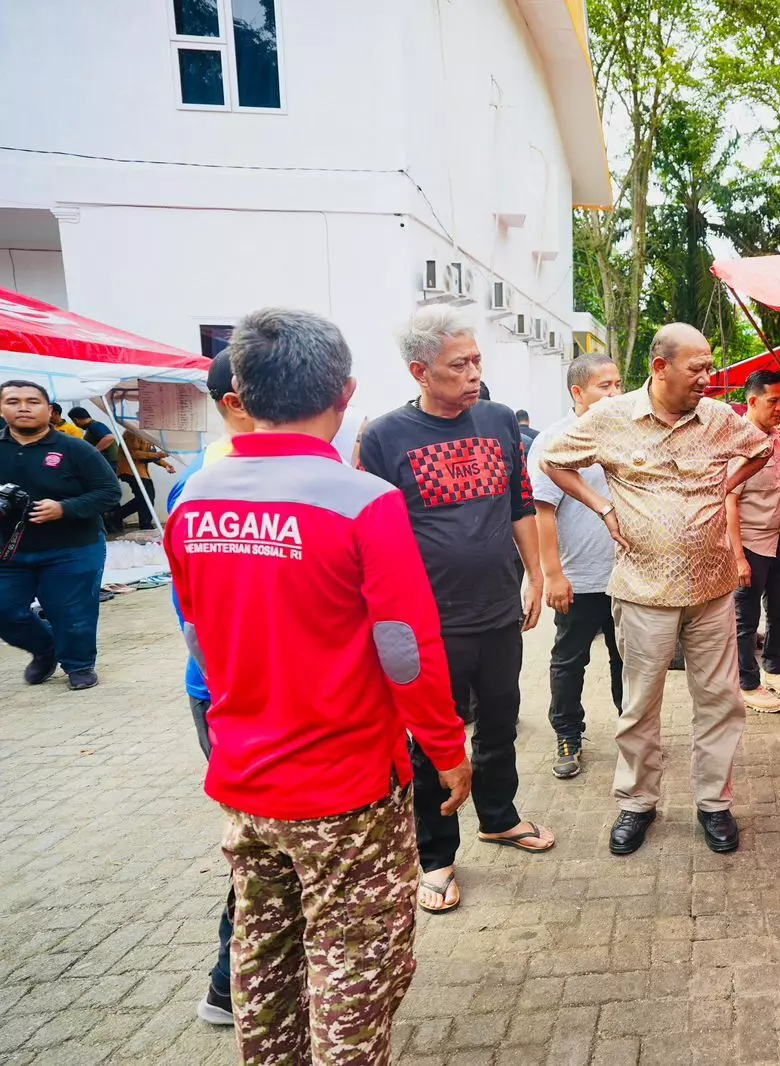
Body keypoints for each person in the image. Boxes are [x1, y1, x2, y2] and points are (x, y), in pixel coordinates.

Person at [164, 308, 471, 1065]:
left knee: (264, 956)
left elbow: (199, 637)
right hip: (345, 788)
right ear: (346, 391)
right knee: (355, 965)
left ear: (241, 392)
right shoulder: (363, 500)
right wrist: (444, 747)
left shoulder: (193, 498)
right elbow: (405, 650)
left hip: (243, 777)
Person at [540, 323, 773, 856]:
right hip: (643, 590)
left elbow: (760, 448)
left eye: (710, 367)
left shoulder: (718, 419)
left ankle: (714, 803)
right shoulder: (612, 416)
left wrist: (726, 484)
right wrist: (602, 506)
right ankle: (638, 802)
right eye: (698, 369)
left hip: (713, 588)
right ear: (660, 367)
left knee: (720, 700)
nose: (708, 379)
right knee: (640, 704)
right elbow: (552, 459)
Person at [360, 305, 553, 914]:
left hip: (499, 608)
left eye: (477, 361)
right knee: (432, 742)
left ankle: (499, 816)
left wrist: (538, 578)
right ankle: (436, 855)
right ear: (420, 371)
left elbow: (520, 503)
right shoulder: (386, 436)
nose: (474, 374)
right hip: (429, 623)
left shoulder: (497, 420)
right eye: (459, 364)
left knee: (500, 724)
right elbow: (378, 530)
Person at [166, 352, 257, 1028]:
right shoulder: (202, 485)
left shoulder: (306, 475)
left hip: (254, 691)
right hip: (237, 694)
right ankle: (229, 982)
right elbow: (195, 620)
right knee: (262, 842)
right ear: (233, 403)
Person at [531, 353, 626, 780]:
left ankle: (634, 733)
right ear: (578, 392)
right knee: (570, 662)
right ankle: (568, 734)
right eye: (604, 386)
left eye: (618, 385)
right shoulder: (555, 441)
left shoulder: (628, 434)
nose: (614, 393)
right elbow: (543, 514)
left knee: (628, 660)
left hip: (628, 576)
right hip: (580, 578)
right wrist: (552, 575)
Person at [0, 381, 121, 691]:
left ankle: (78, 665)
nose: (23, 407)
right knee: (5, 611)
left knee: (70, 611)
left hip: (73, 547)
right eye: (13, 401)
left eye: (32, 401)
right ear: (2, 408)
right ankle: (45, 649)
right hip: (9, 552)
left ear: (49, 409)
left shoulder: (74, 449)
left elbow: (109, 493)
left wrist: (64, 508)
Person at [727, 370, 780, 714]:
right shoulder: (739, 442)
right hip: (751, 543)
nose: (779, 408)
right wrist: (738, 557)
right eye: (773, 401)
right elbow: (729, 499)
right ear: (752, 401)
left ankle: (773, 669)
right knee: (746, 618)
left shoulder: (779, 440)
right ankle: (747, 681)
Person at [111, 429, 176, 530]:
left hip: (140, 472)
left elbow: (150, 454)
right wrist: (157, 455)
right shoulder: (131, 433)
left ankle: (118, 517)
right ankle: (143, 525)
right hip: (129, 470)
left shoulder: (145, 434)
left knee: (145, 498)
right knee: (146, 498)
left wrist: (166, 465)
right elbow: (132, 453)